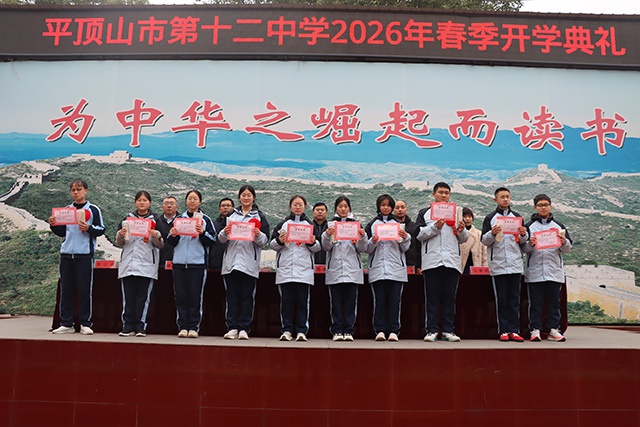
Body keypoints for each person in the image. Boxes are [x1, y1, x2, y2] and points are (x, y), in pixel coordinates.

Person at [49, 179, 105, 335]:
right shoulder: (66, 210)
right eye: (73, 190)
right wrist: (53, 224)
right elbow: (62, 232)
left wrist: (88, 228)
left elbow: (101, 229)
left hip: (84, 255)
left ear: (86, 191)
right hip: (66, 254)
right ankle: (66, 323)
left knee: (84, 290)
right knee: (66, 290)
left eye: (79, 189)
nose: (76, 192)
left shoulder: (93, 209)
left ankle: (85, 323)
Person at [415, 182, 468, 342]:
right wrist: (435, 227)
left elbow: (463, 239)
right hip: (432, 261)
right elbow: (419, 235)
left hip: (451, 261)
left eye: (446, 192)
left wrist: (461, 230)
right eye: (440, 192)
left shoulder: (457, 213)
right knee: (432, 298)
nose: (444, 195)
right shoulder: (425, 213)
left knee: (449, 298)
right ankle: (431, 330)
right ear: (433, 194)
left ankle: (448, 330)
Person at [218, 185, 270, 340]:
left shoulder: (260, 216)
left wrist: (258, 234)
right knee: (232, 296)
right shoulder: (231, 215)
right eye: (243, 195)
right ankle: (232, 327)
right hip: (231, 262)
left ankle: (244, 328)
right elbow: (220, 239)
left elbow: (264, 241)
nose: (246, 198)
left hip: (249, 263)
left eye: (249, 195)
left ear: (253, 198)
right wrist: (225, 232)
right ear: (239, 197)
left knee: (247, 296)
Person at [270, 195, 321, 342]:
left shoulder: (309, 224)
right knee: (286, 303)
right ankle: (286, 330)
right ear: (290, 206)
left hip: (304, 270)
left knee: (302, 302)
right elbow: (272, 245)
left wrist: (311, 242)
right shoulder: (283, 224)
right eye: (295, 204)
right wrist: (279, 241)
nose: (298, 207)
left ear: (305, 206)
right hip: (286, 269)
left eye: (300, 205)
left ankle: (301, 330)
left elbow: (318, 247)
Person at [166, 190, 216, 338]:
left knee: (195, 297)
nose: (192, 201)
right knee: (181, 296)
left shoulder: (205, 220)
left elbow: (212, 240)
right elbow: (171, 242)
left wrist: (202, 232)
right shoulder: (179, 219)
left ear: (200, 201)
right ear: (186, 201)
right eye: (190, 199)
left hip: (197, 264)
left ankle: (194, 327)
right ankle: (182, 326)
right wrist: (173, 234)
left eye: (195, 199)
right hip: (179, 264)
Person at [481, 187, 528, 342]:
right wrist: (492, 233)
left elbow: (523, 242)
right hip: (499, 264)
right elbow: (484, 241)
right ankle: (503, 330)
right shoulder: (490, 218)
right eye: (502, 197)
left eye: (508, 196)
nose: (505, 199)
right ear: (496, 200)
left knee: (514, 299)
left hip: (515, 264)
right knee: (501, 299)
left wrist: (523, 234)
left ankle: (514, 330)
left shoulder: (517, 217)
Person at [523, 194, 572, 342]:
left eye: (546, 204)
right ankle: (535, 329)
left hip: (554, 270)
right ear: (535, 207)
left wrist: (564, 242)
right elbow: (523, 248)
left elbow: (568, 248)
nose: (543, 208)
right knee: (535, 303)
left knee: (554, 303)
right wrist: (530, 244)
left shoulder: (559, 226)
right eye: (540, 205)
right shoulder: (529, 226)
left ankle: (553, 329)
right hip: (535, 270)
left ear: (550, 206)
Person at [115, 191, 164, 337]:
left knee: (143, 298)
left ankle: (141, 326)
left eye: (145, 200)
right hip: (129, 264)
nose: (142, 203)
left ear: (150, 203)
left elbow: (161, 244)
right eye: (139, 200)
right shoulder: (127, 219)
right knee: (128, 298)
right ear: (135, 202)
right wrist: (120, 234)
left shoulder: (156, 220)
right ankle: (127, 326)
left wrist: (156, 235)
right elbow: (119, 242)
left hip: (147, 265)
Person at [365, 194, 411, 342]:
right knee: (379, 301)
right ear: (378, 207)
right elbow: (367, 249)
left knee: (394, 302)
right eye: (383, 205)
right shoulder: (372, 225)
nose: (385, 207)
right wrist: (373, 241)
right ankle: (379, 330)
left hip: (396, 269)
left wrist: (405, 238)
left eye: (388, 205)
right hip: (378, 268)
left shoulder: (398, 225)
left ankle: (393, 331)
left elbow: (405, 248)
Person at [322, 196, 368, 342]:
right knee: (335, 302)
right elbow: (326, 247)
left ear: (349, 208)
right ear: (336, 208)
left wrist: (362, 237)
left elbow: (362, 248)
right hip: (335, 268)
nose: (343, 209)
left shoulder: (356, 225)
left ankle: (348, 330)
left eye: (345, 206)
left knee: (350, 302)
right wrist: (327, 235)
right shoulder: (330, 225)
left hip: (352, 269)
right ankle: (337, 330)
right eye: (340, 206)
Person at [393, 199, 420, 271]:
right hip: (394, 263)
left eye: (402, 207)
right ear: (393, 210)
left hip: (412, 264)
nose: (400, 210)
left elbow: (419, 246)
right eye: (397, 208)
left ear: (406, 209)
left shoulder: (414, 226)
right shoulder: (390, 226)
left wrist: (420, 265)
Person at [459, 207, 488, 274]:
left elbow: (484, 253)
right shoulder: (457, 233)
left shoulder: (479, 234)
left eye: (469, 216)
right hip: (462, 266)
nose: (467, 219)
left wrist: (485, 268)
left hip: (476, 266)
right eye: (465, 217)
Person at [209, 198, 234, 270]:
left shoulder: (238, 223)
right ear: (219, 209)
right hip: (216, 260)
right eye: (223, 206)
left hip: (233, 261)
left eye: (228, 206)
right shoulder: (213, 224)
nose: (225, 207)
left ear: (233, 208)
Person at [155, 196, 178, 268]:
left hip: (177, 262)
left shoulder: (182, 221)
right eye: (166, 203)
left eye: (172, 203)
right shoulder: (156, 222)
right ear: (162, 207)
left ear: (177, 207)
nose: (169, 206)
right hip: (159, 261)